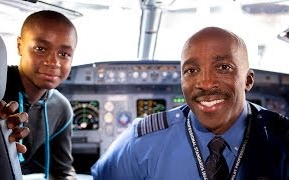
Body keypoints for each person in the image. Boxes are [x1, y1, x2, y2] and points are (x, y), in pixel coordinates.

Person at [90, 27, 289, 179]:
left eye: (223, 67)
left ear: (248, 80)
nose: (205, 83)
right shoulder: (141, 142)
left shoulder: (282, 140)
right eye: (191, 71)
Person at [2, 10, 78, 179]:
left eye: (64, 54)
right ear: (20, 46)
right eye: (40, 48)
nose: (53, 62)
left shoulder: (60, 108)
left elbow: (62, 170)